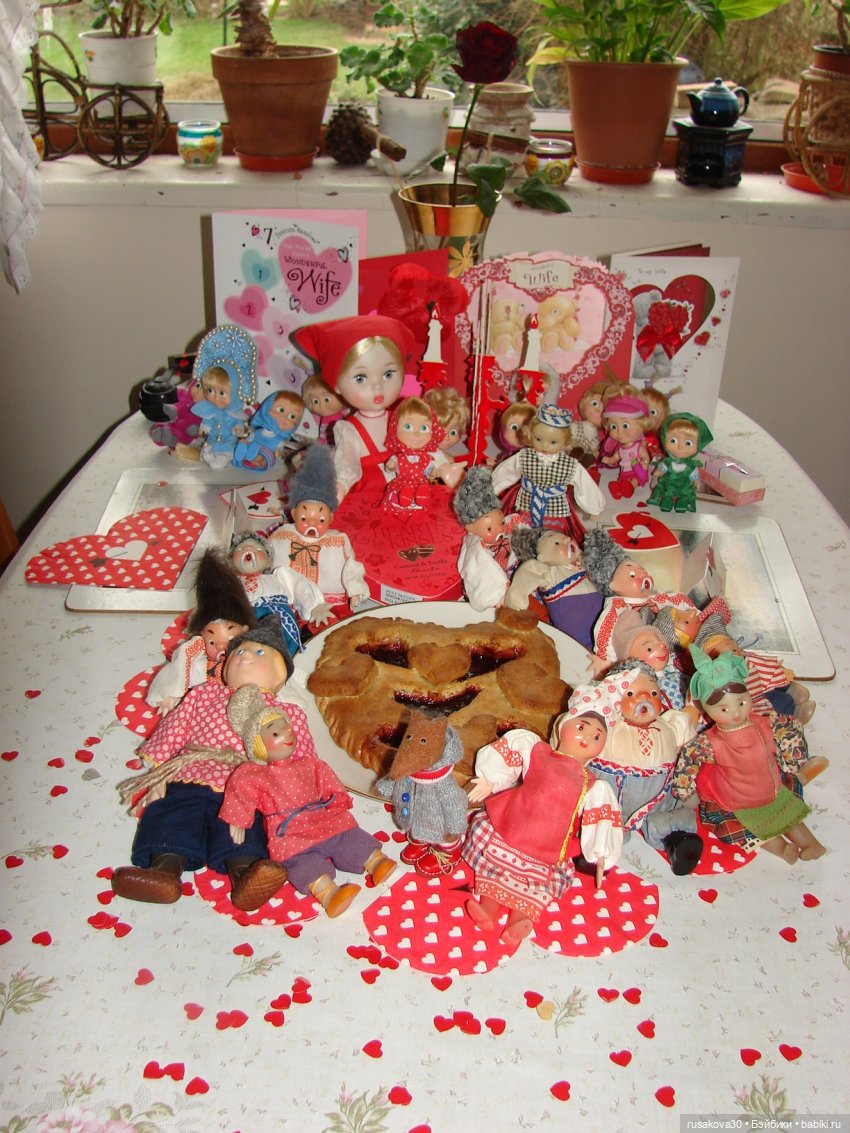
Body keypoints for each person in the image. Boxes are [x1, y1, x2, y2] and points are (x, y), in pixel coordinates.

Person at [111, 617, 303, 911]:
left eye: (259, 653)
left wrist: (296, 793)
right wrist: (158, 774)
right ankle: (163, 871)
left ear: (280, 675)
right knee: (173, 815)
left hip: (245, 787)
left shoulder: (286, 711)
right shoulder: (202, 694)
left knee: (242, 829)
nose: (244, 657)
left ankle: (246, 876)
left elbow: (300, 754)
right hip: (190, 773)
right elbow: (174, 728)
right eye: (239, 652)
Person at [221, 686, 396, 916]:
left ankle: (375, 861)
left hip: (324, 820)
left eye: (285, 726)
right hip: (292, 835)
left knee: (349, 837)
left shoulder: (309, 764)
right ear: (259, 746)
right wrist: (238, 819)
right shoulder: (256, 775)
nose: (286, 733)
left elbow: (329, 782)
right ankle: (329, 894)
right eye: (275, 734)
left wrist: (338, 800)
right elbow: (239, 789)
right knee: (302, 864)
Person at [463, 695, 622, 948]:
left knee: (535, 884)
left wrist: (602, 852)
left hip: (548, 847)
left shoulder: (594, 786)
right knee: (495, 868)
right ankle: (488, 909)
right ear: (563, 726)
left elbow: (601, 817)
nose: (586, 737)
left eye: (596, 736)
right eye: (581, 727)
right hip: (512, 826)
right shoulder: (538, 751)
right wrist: (490, 779)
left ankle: (520, 921)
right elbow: (510, 752)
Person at [672, 646, 826, 863]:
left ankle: (812, 845)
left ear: (748, 695)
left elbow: (790, 728)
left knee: (788, 815)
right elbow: (689, 758)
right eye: (723, 709)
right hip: (736, 800)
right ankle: (783, 849)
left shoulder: (764, 722)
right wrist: (684, 789)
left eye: (742, 702)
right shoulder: (711, 741)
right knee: (748, 830)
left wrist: (793, 758)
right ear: (707, 710)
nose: (735, 712)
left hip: (769, 790)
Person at [586, 660, 703, 874]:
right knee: (604, 823)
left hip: (659, 797)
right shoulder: (608, 725)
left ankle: (677, 843)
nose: (645, 698)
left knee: (670, 816)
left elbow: (689, 732)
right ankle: (598, 854)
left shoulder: (669, 725)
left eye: (653, 693)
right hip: (613, 799)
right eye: (631, 694)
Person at [290, 315, 415, 501]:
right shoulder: (348, 429)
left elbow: (417, 447)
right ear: (337, 386)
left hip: (404, 484)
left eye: (388, 374)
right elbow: (347, 462)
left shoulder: (404, 419)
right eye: (360, 378)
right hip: (367, 490)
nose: (377, 387)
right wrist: (341, 485)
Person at [146, 548, 255, 716]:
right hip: (207, 717)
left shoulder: (250, 660)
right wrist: (169, 696)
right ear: (202, 638)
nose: (221, 647)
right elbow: (179, 675)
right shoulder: (201, 667)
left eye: (230, 639)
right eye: (212, 642)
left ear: (246, 632)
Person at [269, 444, 370, 620]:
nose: (312, 524)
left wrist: (356, 590)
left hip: (330, 604)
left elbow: (351, 567)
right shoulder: (282, 536)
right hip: (289, 603)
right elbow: (267, 555)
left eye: (321, 520)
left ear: (330, 518)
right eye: (304, 518)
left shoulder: (337, 542)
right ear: (294, 514)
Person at [491, 403, 605, 542]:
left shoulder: (569, 464)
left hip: (554, 507)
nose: (545, 446)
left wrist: (594, 507)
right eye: (538, 439)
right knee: (521, 531)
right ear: (531, 434)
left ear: (565, 441)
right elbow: (507, 472)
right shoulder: (524, 456)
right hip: (527, 503)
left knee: (553, 537)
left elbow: (584, 484)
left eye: (553, 442)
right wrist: (492, 489)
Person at [229, 533, 331, 654]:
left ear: (268, 562)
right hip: (243, 618)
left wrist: (314, 606)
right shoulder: (230, 582)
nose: (248, 549)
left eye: (258, 549)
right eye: (240, 549)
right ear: (231, 561)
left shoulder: (279, 577)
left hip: (275, 618)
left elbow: (299, 586)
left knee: (281, 648)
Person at [452, 467, 523, 611]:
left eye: (501, 522)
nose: (499, 529)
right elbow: (479, 572)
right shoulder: (476, 550)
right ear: (471, 528)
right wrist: (498, 593)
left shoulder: (510, 527)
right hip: (494, 586)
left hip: (510, 572)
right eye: (489, 529)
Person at [382, 396, 463, 511]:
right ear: (395, 428)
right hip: (401, 484)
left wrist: (432, 473)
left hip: (422, 485)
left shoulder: (426, 457)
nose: (416, 434)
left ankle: (419, 494)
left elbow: (429, 470)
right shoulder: (400, 456)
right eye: (408, 427)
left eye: (424, 428)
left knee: (424, 490)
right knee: (402, 491)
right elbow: (390, 470)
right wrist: (390, 467)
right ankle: (406, 494)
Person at [647, 412, 713, 513]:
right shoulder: (667, 462)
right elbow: (660, 470)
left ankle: (683, 502)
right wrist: (658, 472)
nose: (680, 447)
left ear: (698, 445)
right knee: (666, 492)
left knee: (686, 494)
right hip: (669, 486)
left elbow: (694, 476)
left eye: (688, 443)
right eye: (673, 440)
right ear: (664, 439)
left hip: (684, 488)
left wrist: (696, 481)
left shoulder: (691, 466)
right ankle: (667, 501)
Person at [233, 390, 306, 472]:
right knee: (247, 442)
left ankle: (254, 455)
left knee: (263, 456)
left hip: (266, 454)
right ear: (267, 408)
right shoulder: (258, 430)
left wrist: (279, 453)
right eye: (281, 410)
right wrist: (245, 439)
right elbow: (251, 436)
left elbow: (280, 451)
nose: (284, 418)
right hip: (253, 446)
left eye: (292, 417)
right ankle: (244, 451)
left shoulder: (279, 440)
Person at [598, 393, 651, 499]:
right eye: (614, 426)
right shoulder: (620, 449)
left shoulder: (638, 448)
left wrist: (645, 463)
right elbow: (615, 458)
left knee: (634, 480)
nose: (619, 431)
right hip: (624, 472)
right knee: (622, 480)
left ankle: (631, 487)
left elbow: (646, 458)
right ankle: (618, 489)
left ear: (642, 425)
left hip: (636, 470)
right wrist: (609, 460)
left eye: (625, 425)